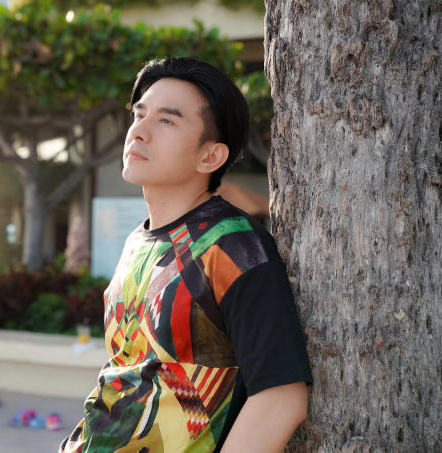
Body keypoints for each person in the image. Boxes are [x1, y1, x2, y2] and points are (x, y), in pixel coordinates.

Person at [60, 58, 312, 453]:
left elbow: (281, 398)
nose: (138, 131)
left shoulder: (233, 247)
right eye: (139, 115)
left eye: (166, 121)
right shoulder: (137, 241)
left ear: (210, 156)